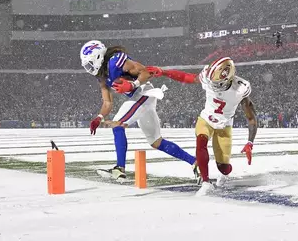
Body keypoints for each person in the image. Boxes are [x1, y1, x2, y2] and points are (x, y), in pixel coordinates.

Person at [80, 40, 198, 180]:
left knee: (117, 124)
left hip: (143, 92)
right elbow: (107, 102)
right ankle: (195, 162)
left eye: (90, 63)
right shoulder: (103, 77)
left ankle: (119, 168)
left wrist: (132, 85)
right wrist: (99, 117)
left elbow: (145, 72)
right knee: (156, 142)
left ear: (98, 56)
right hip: (140, 98)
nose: (89, 68)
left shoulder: (115, 60)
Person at [146, 56, 257, 197]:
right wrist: (163, 72)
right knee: (201, 141)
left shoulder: (241, 88)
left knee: (224, 168)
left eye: (217, 83)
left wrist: (250, 142)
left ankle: (224, 174)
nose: (213, 85)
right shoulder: (208, 76)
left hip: (224, 126)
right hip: (206, 119)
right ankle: (206, 182)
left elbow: (251, 117)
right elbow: (187, 77)